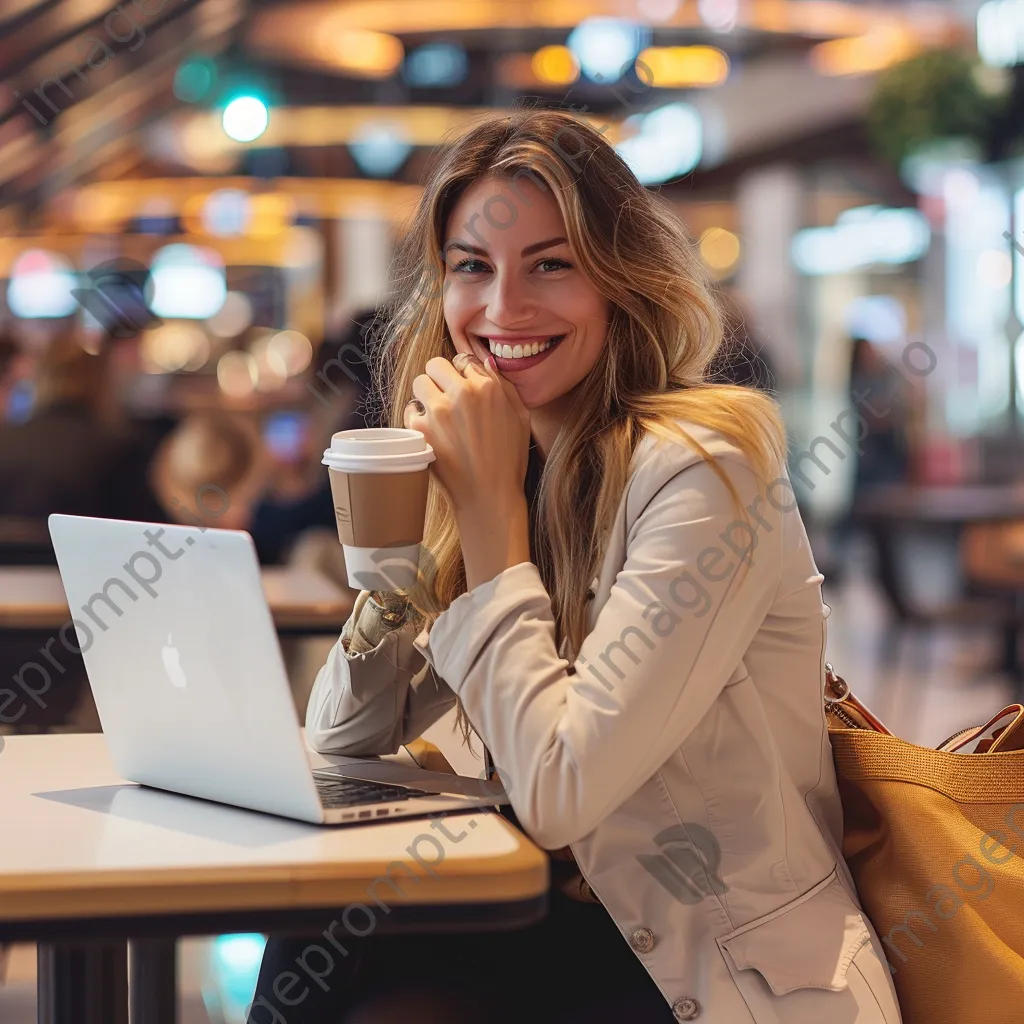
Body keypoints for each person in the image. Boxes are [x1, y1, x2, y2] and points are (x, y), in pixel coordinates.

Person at [248, 110, 901, 1023]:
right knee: (323, 938)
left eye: (551, 265)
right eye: (472, 268)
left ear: (618, 282)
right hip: (556, 923)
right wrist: (404, 547)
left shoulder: (706, 470)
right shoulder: (499, 458)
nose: (502, 309)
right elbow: (343, 739)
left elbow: (559, 792)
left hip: (701, 962)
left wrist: (486, 514)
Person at [0, 326, 165, 525]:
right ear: (103, 381)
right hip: (90, 556)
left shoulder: (6, 441)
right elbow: (147, 528)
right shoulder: (121, 447)